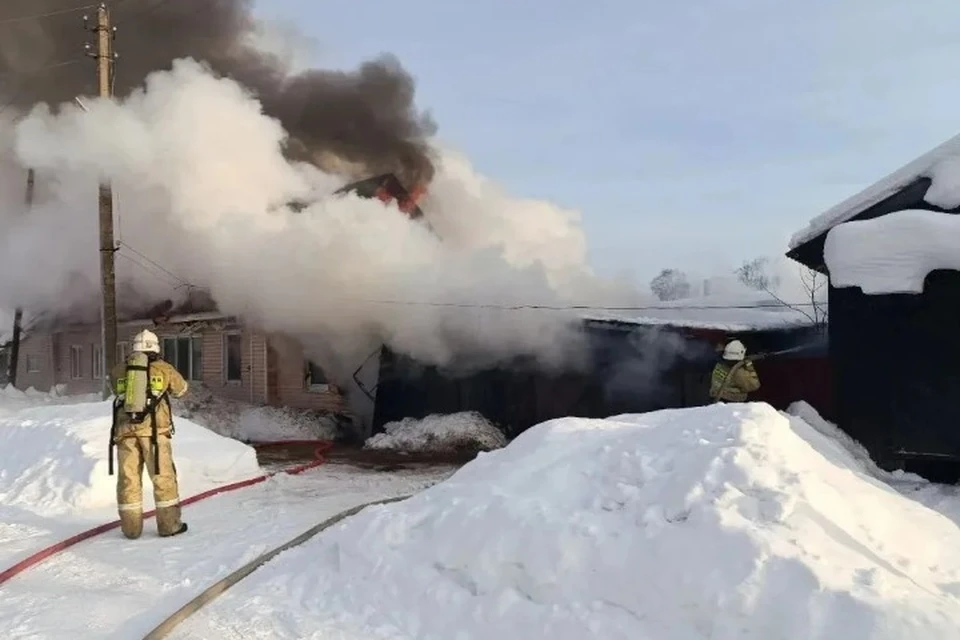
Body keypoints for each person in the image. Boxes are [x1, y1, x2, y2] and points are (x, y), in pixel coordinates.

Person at [108, 329, 189, 539]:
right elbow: (181, 390)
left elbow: (117, 392)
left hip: (125, 433)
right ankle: (169, 525)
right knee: (163, 478)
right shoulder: (164, 368)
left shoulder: (119, 370)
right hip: (155, 433)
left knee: (129, 480)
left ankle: (131, 529)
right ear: (155, 348)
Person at [708, 339, 761, 403]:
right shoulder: (738, 372)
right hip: (732, 402)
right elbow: (754, 386)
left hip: (716, 398)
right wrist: (749, 365)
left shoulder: (719, 364)